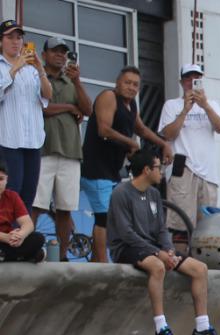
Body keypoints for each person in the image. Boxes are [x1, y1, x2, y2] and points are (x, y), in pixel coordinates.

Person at [108, 149, 220, 335]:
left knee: (200, 269)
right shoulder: (121, 193)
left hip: (153, 248)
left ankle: (202, 328)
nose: (162, 171)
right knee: (157, 267)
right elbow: (126, 233)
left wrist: (169, 250)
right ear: (146, 170)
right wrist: (158, 254)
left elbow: (161, 228)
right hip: (127, 248)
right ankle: (161, 329)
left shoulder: (154, 194)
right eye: (158, 167)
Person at [84, 67, 168, 262]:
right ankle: (103, 268)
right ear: (117, 83)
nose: (131, 87)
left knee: (113, 219)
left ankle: (98, 262)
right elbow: (103, 129)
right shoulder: (108, 97)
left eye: (135, 84)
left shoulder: (131, 106)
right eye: (127, 82)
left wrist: (163, 144)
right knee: (103, 219)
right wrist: (130, 142)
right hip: (96, 168)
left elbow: (142, 129)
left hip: (113, 170)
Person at [157, 64, 220, 247]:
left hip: (208, 172)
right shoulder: (172, 105)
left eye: (196, 78)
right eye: (188, 78)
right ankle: (180, 259)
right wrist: (185, 110)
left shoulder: (213, 105)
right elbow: (168, 134)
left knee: (209, 224)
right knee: (180, 222)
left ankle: (203, 263)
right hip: (182, 167)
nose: (191, 82)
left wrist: (205, 106)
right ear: (181, 82)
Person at [30, 40, 88, 251]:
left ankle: (62, 256)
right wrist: (70, 107)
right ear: (44, 54)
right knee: (35, 205)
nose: (60, 55)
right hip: (43, 150)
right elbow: (41, 107)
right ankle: (26, 251)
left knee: (65, 209)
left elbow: (88, 109)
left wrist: (78, 82)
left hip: (71, 152)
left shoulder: (71, 81)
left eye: (63, 52)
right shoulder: (35, 75)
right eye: (55, 51)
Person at [0, 19, 49, 209]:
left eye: (19, 37)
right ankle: (5, 236)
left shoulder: (32, 69)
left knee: (28, 193)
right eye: (10, 37)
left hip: (33, 140)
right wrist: (14, 68)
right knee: (11, 191)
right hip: (8, 140)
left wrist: (41, 69)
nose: (15, 42)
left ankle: (21, 237)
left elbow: (48, 95)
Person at [0, 160, 43, 261]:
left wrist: (21, 235)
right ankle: (25, 256)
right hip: (4, 238)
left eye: (1, 179)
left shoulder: (12, 196)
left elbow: (28, 224)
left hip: (9, 241)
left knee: (38, 238)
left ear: (7, 180)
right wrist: (5, 237)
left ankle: (7, 256)